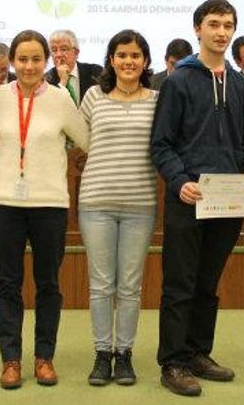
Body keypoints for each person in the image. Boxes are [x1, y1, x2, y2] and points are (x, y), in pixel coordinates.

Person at [151, 0, 244, 397]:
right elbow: (161, 144)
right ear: (197, 28)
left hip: (230, 201)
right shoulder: (178, 81)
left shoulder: (240, 85)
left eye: (228, 25)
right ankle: (173, 362)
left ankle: (198, 352)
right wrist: (180, 181)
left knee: (208, 282)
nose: (221, 31)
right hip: (188, 198)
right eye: (213, 24)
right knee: (179, 283)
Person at [0, 29, 90, 389]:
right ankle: (10, 360)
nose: (29, 66)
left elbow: (86, 139)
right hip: (6, 203)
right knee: (8, 284)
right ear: (12, 61)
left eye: (36, 59)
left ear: (47, 61)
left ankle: (44, 358)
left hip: (49, 204)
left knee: (48, 284)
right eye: (22, 59)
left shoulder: (60, 99)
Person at [78, 30, 159, 387]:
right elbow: (78, 142)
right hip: (96, 204)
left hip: (140, 204)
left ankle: (124, 355)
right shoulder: (94, 96)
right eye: (122, 55)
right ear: (111, 59)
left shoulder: (158, 100)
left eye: (136, 55)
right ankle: (102, 353)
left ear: (145, 61)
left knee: (129, 286)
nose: (129, 61)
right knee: (100, 285)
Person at [44, 29, 102, 106]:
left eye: (64, 49)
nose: (58, 54)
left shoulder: (95, 72)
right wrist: (63, 81)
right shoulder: (46, 79)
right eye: (54, 50)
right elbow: (50, 108)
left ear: (76, 52)